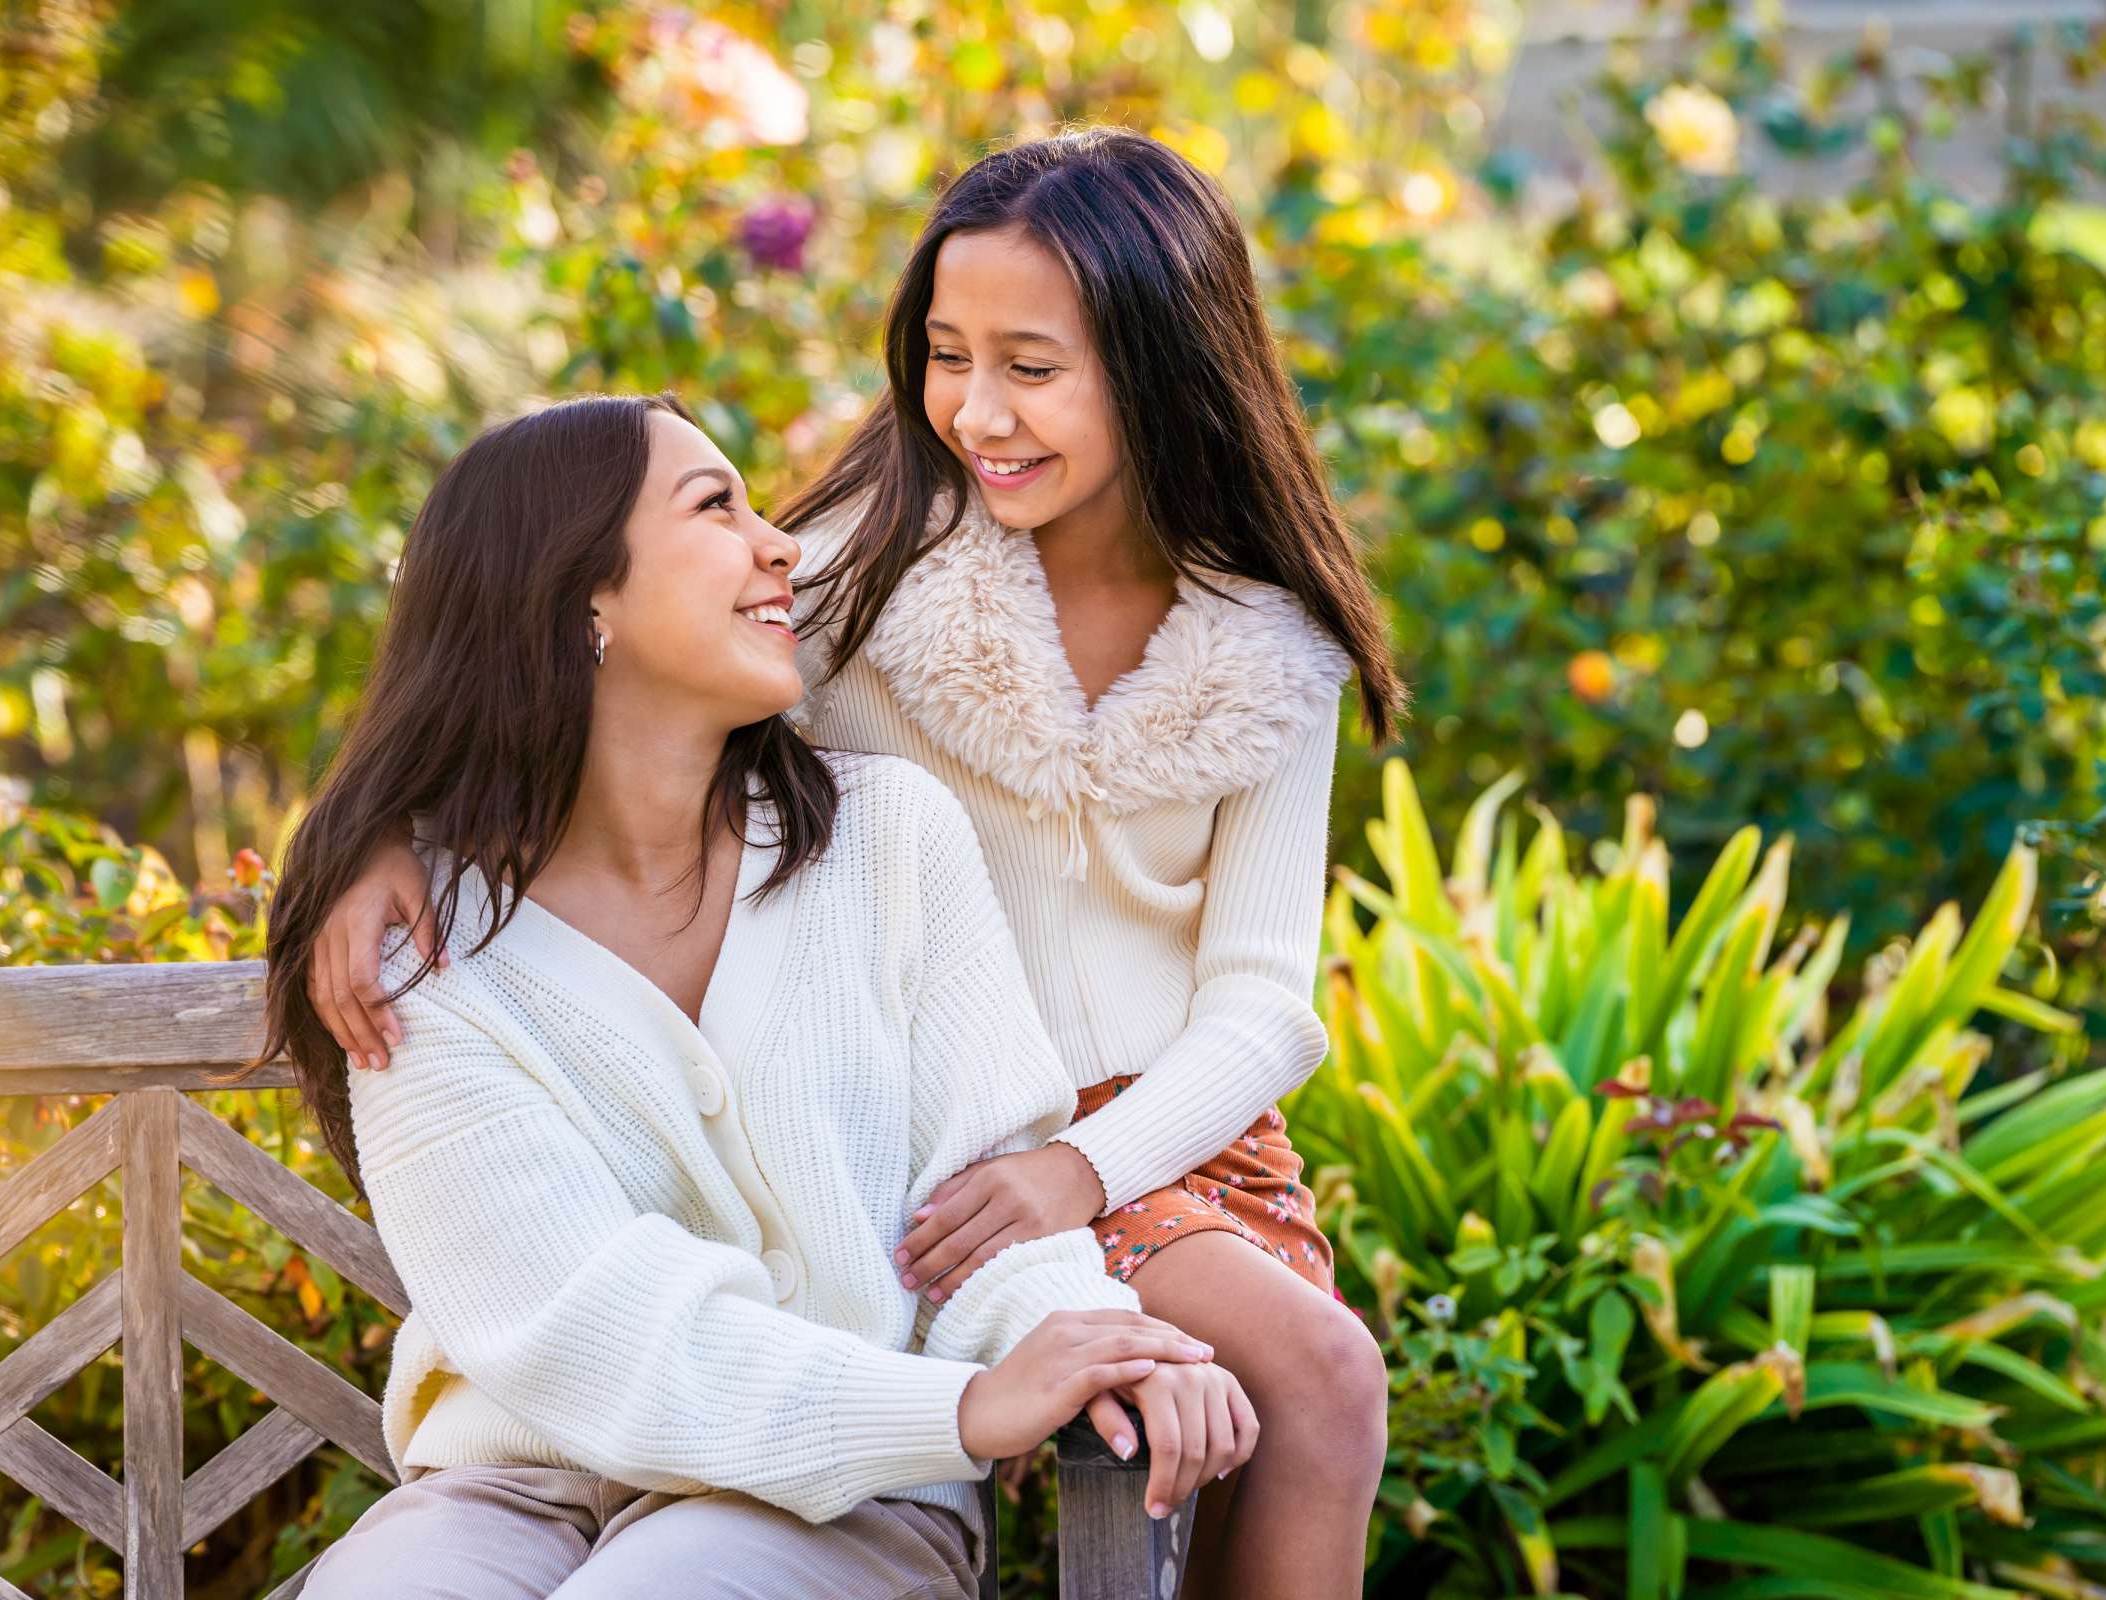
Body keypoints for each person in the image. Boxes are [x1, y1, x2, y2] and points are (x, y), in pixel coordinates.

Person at [311, 127, 1401, 1597]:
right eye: (947, 355)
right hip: (946, 1127)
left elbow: (1266, 1001)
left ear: (1160, 364)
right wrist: (394, 839)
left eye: (1031, 366)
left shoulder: (1270, 650)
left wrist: (1084, 1169)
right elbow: (579, 659)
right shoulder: (864, 576)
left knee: (1322, 1379)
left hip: (1141, 1133)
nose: (974, 409)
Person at [239, 393, 1252, 1598]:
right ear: (582, 599)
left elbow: (982, 1211)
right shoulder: (416, 944)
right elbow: (585, 1320)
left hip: (848, 1499)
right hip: (518, 1488)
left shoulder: (887, 843)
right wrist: (969, 1404)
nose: (778, 545)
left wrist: (1102, 1345)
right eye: (717, 507)